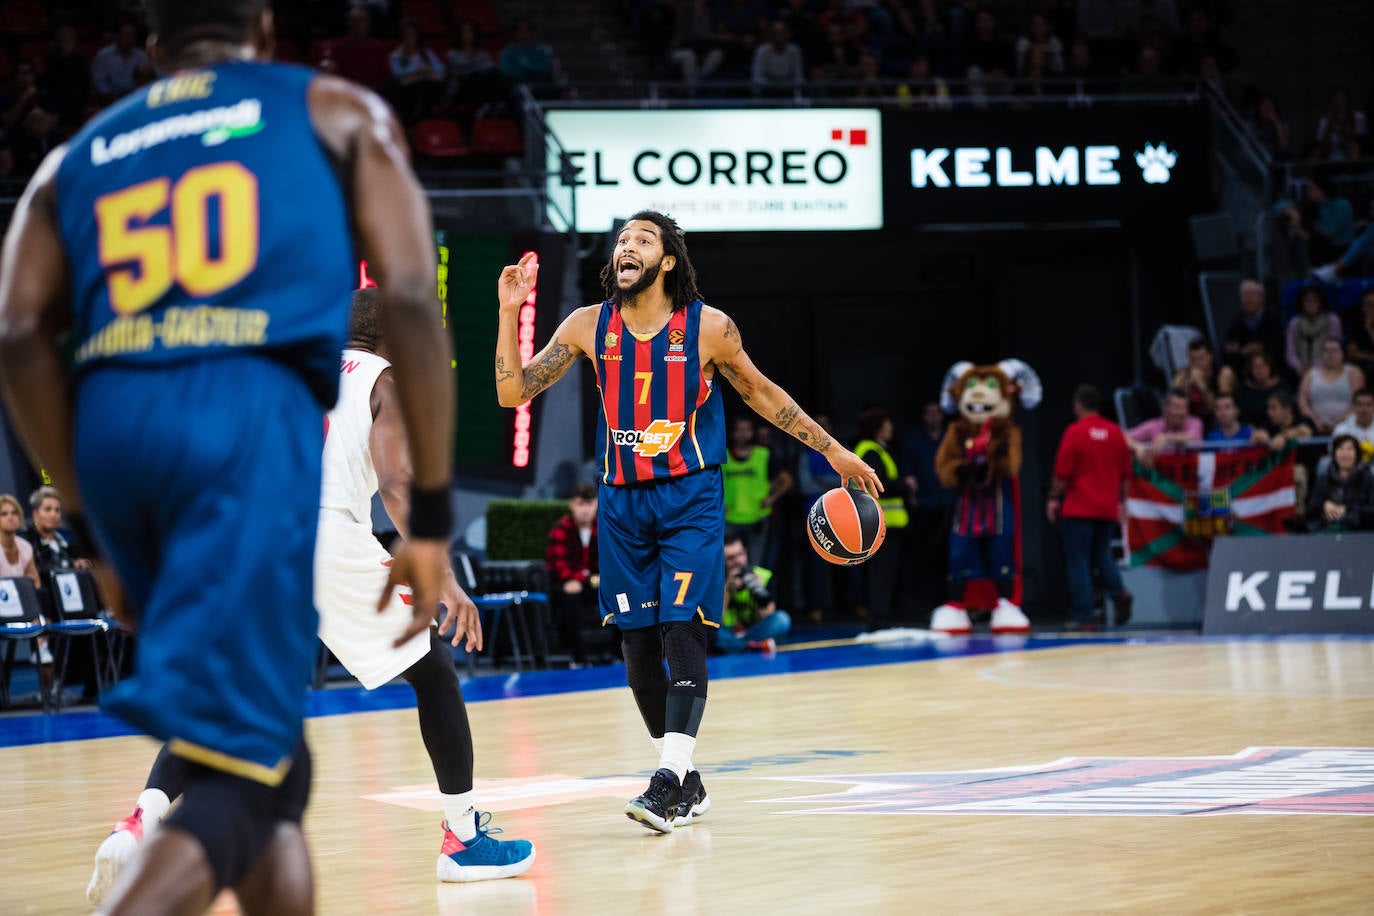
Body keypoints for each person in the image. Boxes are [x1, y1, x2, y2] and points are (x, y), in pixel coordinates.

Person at [0, 1, 456, 912]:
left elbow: (16, 334)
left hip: (118, 432)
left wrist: (92, 527)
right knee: (243, 787)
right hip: (243, 432)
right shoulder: (332, 108)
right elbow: (407, 291)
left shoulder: (76, 154)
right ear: (261, 26)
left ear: (153, 46)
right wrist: (434, 518)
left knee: (260, 766)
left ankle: (150, 828)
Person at [86, 290, 530, 905]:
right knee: (433, 667)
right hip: (321, 532)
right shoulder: (381, 375)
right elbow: (398, 479)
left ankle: (142, 816)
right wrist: (443, 574)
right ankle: (463, 839)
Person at [493, 209, 880, 833]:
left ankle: (669, 780)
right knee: (637, 649)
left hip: (689, 497)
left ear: (667, 260)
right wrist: (511, 311)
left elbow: (763, 395)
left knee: (682, 629)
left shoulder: (708, 329)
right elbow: (513, 395)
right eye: (622, 239)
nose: (627, 247)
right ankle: (684, 777)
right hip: (621, 500)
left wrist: (832, 449)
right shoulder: (589, 326)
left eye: (642, 240)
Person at [1047, 385, 1133, 631]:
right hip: (1106, 507)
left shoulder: (1075, 432)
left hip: (1079, 508)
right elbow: (1126, 475)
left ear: (1079, 405)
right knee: (1102, 555)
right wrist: (1121, 503)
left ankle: (1083, 616)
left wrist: (1054, 498)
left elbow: (1062, 473)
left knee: (1079, 561)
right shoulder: (1116, 433)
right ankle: (1120, 593)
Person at [854, 406, 911, 629]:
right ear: (878, 427)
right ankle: (878, 618)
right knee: (880, 574)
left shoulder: (878, 449)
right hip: (880, 524)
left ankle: (881, 615)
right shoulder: (870, 450)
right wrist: (905, 485)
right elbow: (880, 485)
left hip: (887, 524)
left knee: (884, 574)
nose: (891, 428)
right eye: (887, 424)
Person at [903, 402, 953, 617]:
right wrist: (912, 495)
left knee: (949, 556)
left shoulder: (950, 440)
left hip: (948, 504)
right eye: (929, 412)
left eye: (936, 412)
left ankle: (949, 604)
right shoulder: (915, 442)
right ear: (924, 416)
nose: (933, 416)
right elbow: (908, 473)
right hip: (924, 506)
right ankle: (925, 606)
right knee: (924, 557)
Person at [545, 482, 601, 666]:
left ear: (597, 504)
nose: (585, 509)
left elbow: (610, 560)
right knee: (570, 598)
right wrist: (576, 579)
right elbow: (560, 566)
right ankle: (578, 658)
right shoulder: (561, 529)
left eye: (589, 503)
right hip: (568, 584)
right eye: (580, 504)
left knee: (621, 596)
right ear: (571, 505)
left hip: (596, 583)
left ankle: (619, 655)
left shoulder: (604, 528)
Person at [724, 416, 792, 565]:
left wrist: (772, 498)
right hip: (729, 520)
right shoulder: (723, 455)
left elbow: (786, 480)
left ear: (752, 432)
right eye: (739, 430)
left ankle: (753, 589)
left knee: (755, 564)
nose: (743, 434)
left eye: (747, 430)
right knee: (728, 566)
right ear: (732, 432)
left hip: (757, 519)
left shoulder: (764, 455)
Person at [716, 534, 791, 654]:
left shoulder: (763, 575)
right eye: (730, 558)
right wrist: (727, 591)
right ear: (722, 560)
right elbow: (716, 622)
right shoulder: (717, 581)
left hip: (754, 630)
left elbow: (767, 616)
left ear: (745, 552)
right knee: (710, 632)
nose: (738, 562)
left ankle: (738, 646)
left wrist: (758, 589)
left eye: (740, 554)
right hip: (729, 631)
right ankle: (753, 646)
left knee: (782, 619)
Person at [1304, 434, 1372, 532]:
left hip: (1358, 532)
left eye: (1349, 449)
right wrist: (1324, 505)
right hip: (1326, 530)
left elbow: (1370, 509)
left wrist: (1347, 509)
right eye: (1340, 449)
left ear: (1357, 454)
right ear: (1334, 454)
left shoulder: (1367, 478)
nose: (1345, 454)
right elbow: (1310, 509)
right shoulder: (1324, 478)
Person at [21, 485, 92, 577]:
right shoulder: (25, 541)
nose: (53, 515)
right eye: (48, 509)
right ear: (35, 514)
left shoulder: (64, 541)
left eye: (57, 510)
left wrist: (76, 564)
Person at [1220, 279, 1285, 379]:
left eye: (1251, 295)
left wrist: (1259, 349)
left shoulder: (1274, 320)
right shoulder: (1235, 324)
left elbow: (1279, 349)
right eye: (1245, 296)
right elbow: (1228, 352)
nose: (1248, 300)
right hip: (1243, 373)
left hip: (1272, 371)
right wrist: (1243, 351)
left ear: (1261, 297)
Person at [1300, 337, 1364, 435]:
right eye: (1327, 351)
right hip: (1315, 426)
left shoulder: (1353, 372)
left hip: (1348, 426)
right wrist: (1315, 420)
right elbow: (1303, 401)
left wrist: (1338, 422)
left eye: (1335, 351)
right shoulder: (1310, 374)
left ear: (1343, 353)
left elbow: (1359, 401)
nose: (1330, 355)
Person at [1126, 388, 1203, 462]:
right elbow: (1123, 436)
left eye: (1184, 408)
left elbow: (1193, 438)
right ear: (1165, 408)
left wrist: (1166, 438)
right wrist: (1136, 446)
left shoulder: (1195, 422)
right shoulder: (1153, 426)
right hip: (1159, 474)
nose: (1181, 412)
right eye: (1177, 407)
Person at [1286, 284, 1343, 378]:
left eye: (1315, 300)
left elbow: (1335, 349)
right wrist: (1299, 367)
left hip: (1327, 369)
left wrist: (1315, 369)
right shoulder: (1294, 323)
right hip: (1300, 371)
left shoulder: (1332, 320)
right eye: (1307, 300)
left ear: (1321, 302)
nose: (1311, 303)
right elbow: (1290, 352)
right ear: (1301, 303)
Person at [90, 20, 152, 103]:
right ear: (117, 36)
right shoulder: (104, 56)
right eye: (125, 35)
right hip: (110, 99)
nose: (129, 38)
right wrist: (109, 96)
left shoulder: (141, 56)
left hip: (135, 97)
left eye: (131, 35)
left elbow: (148, 80)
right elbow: (99, 82)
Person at [1234, 345, 1290, 429]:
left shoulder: (1282, 387)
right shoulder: (1243, 391)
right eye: (1256, 367)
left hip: (1279, 429)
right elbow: (1240, 416)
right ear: (1250, 369)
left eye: (1263, 366)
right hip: (1251, 433)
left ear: (1270, 366)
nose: (1260, 370)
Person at [1171, 337, 1220, 422]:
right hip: (1191, 421)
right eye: (1193, 360)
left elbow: (1218, 410)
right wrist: (1180, 388)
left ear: (1210, 357)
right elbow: (1173, 408)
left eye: (1201, 359)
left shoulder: (1221, 375)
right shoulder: (1184, 375)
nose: (1197, 364)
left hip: (1213, 421)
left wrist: (1201, 384)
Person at [1332, 388, 1374, 455]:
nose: (1364, 409)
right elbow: (1334, 452)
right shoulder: (1341, 430)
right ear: (1353, 406)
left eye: (1368, 404)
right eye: (1359, 404)